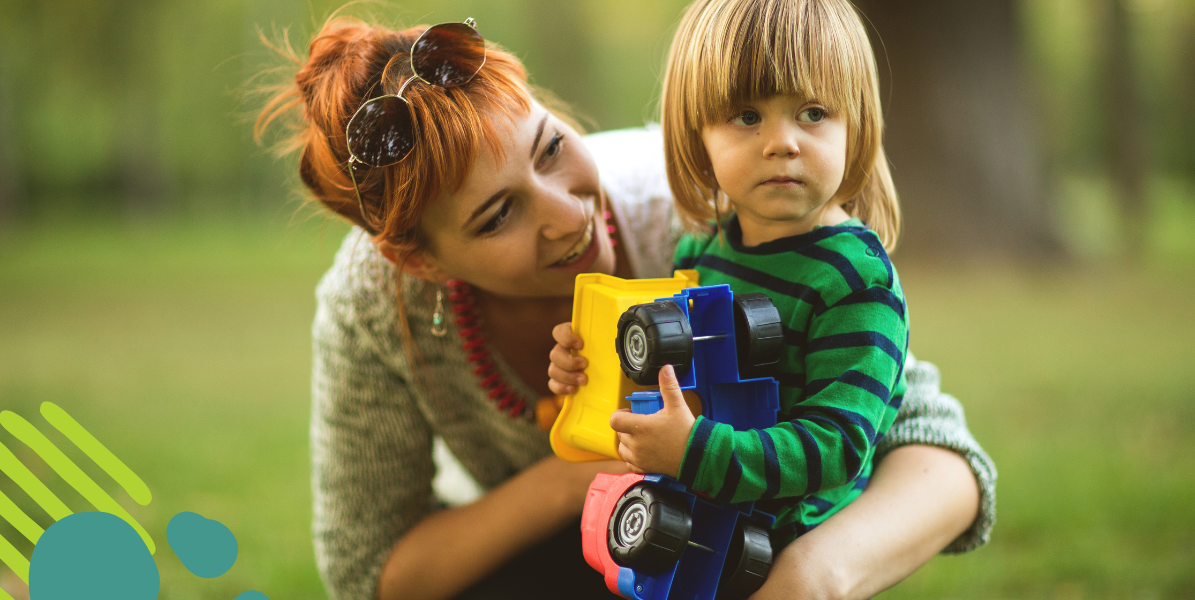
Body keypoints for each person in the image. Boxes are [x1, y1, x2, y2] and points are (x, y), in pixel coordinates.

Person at [254, 12, 996, 600]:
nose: (568, 214)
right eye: (497, 216)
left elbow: (929, 440)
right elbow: (370, 572)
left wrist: (815, 575)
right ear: (420, 262)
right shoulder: (373, 308)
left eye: (550, 148)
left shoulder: (715, 202)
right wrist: (583, 464)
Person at [551, 0, 913, 554]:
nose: (782, 142)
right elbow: (675, 378)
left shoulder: (855, 280)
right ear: (698, 137)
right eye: (746, 117)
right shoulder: (702, 247)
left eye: (813, 112)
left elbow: (837, 445)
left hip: (789, 542)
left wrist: (695, 453)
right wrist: (592, 369)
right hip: (700, 519)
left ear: (855, 123)